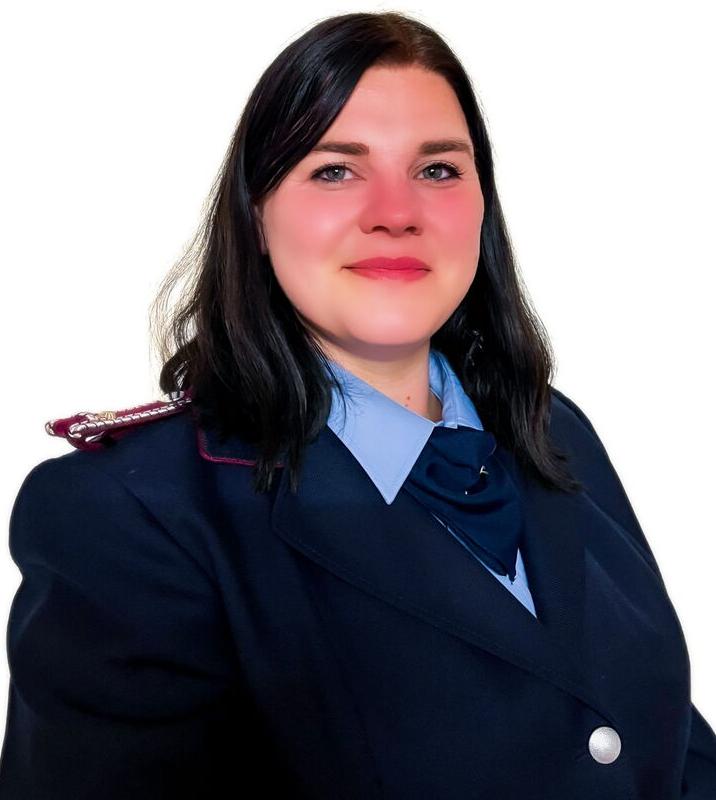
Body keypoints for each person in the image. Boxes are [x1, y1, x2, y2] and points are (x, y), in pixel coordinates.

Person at [1, 10, 714, 799]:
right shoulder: (127, 517)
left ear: (483, 206)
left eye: (436, 169)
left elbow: (665, 747)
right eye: (336, 171)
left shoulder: (553, 427)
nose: (396, 212)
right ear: (256, 214)